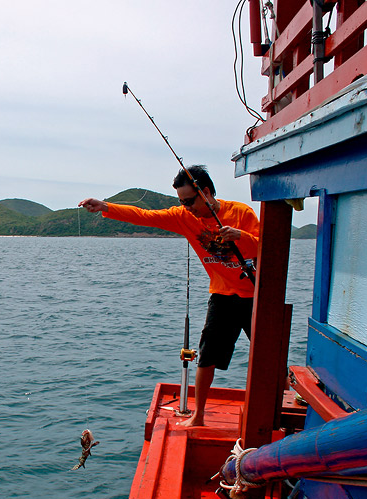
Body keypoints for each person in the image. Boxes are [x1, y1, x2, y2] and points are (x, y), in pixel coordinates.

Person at [79, 165, 259, 427]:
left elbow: (268, 243)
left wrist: (240, 236)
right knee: (206, 356)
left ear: (206, 192)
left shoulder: (241, 212)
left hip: (257, 294)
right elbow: (143, 216)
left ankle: (291, 393)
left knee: (269, 354)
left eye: (189, 201)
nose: (186, 207)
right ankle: (198, 416)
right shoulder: (183, 217)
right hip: (222, 295)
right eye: (181, 203)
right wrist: (105, 206)